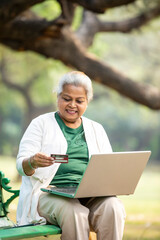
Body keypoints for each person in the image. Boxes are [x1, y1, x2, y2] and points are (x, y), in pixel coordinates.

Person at [16, 71, 126, 240]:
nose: (72, 105)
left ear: (87, 102)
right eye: (67, 99)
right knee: (75, 212)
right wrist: (32, 162)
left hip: (89, 194)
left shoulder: (96, 129)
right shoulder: (40, 124)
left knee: (113, 207)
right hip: (48, 194)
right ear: (58, 97)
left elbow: (107, 168)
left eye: (79, 100)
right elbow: (21, 166)